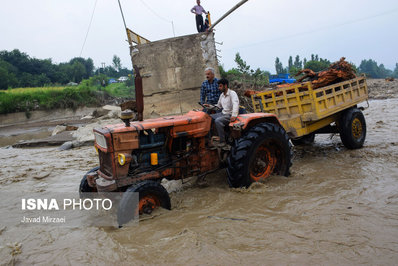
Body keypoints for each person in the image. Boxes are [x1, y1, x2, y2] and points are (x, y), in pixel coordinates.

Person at [206, 78, 239, 148]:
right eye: (218, 86)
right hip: (223, 113)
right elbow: (218, 106)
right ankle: (209, 139)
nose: (219, 88)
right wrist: (209, 106)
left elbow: (236, 104)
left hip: (229, 114)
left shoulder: (232, 93)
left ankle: (223, 141)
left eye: (220, 86)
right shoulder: (222, 95)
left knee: (218, 121)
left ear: (225, 86)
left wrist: (234, 115)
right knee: (208, 118)